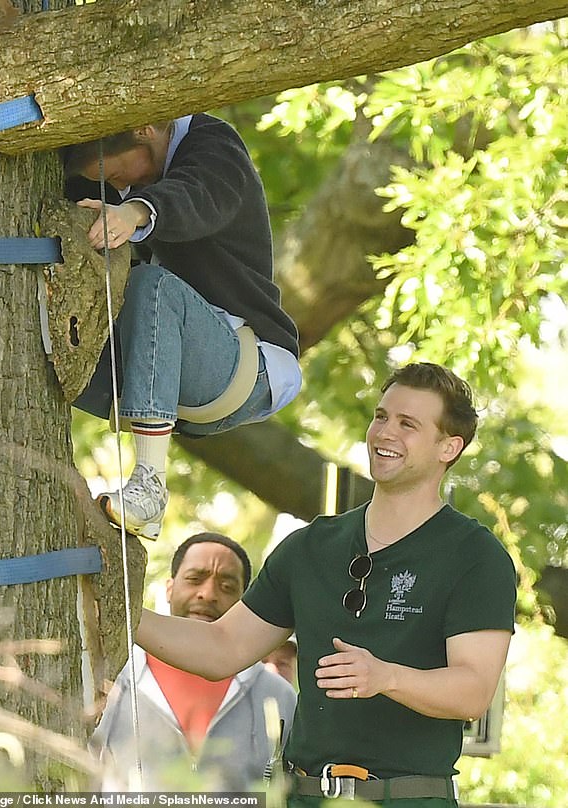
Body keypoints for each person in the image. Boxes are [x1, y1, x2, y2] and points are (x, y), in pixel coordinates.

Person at [133, 363, 518, 806]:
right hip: (302, 795)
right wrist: (123, 611)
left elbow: (473, 691)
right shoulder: (310, 545)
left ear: (449, 447)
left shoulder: (477, 556)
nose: (385, 432)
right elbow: (222, 646)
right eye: (381, 416)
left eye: (407, 424)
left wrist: (386, 676)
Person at [63, 115, 301, 540]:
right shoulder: (129, 179)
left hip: (243, 360)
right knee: (51, 351)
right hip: (159, 368)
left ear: (145, 127)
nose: (118, 189)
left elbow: (198, 196)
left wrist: (135, 212)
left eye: (117, 174)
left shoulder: (214, 146)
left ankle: (150, 483)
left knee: (152, 287)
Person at [90, 532, 297, 790]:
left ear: (245, 601)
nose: (208, 594)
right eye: (194, 579)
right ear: (169, 588)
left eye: (227, 587)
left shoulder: (278, 696)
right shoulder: (112, 679)